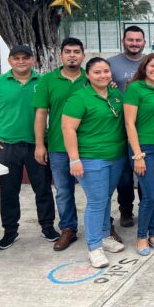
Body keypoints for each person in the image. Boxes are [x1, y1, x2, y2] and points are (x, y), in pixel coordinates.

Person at [0, 45, 57, 250]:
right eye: (16, 58)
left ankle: (48, 227)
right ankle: (10, 231)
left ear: (33, 60)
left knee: (43, 189)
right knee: (9, 191)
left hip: (37, 145)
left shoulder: (43, 81)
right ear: (10, 61)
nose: (21, 61)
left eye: (25, 58)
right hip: (6, 146)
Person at [61, 57, 127, 268]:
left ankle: (105, 236)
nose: (103, 76)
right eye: (97, 72)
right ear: (88, 75)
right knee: (96, 201)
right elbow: (68, 129)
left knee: (106, 197)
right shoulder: (79, 98)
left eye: (106, 71)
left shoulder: (115, 94)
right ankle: (94, 246)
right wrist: (74, 159)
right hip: (91, 158)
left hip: (116, 156)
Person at [32, 37, 88, 251]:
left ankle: (104, 226)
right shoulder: (48, 80)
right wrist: (40, 144)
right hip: (58, 146)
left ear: (83, 55)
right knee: (64, 191)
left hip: (90, 146)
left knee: (98, 191)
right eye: (68, 51)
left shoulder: (91, 77)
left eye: (76, 51)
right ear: (61, 55)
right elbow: (41, 113)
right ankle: (68, 229)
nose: (72, 55)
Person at [124, 53, 154, 255]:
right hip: (144, 149)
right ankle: (142, 236)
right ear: (144, 67)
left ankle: (153, 233)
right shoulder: (134, 89)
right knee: (150, 195)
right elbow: (129, 123)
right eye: (153, 66)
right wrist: (138, 155)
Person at [108, 25, 146, 228]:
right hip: (120, 127)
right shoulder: (111, 64)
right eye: (130, 39)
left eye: (138, 40)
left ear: (144, 42)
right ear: (123, 41)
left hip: (145, 126)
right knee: (124, 175)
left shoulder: (150, 63)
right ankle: (126, 210)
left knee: (144, 172)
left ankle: (145, 208)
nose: (134, 43)